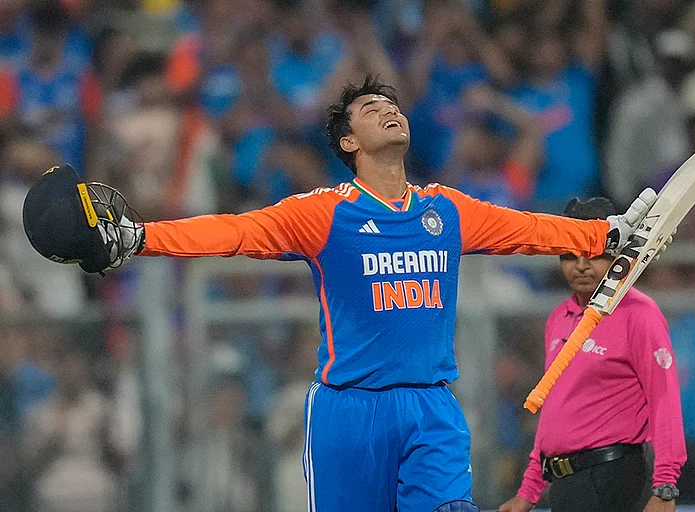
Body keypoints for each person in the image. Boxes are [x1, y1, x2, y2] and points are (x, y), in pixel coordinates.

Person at [25, 75, 658, 512]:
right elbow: (236, 233)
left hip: (431, 407)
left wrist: (609, 230)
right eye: (370, 108)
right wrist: (138, 238)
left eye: (392, 102)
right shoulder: (324, 213)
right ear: (349, 143)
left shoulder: (447, 210)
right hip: (346, 412)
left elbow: (530, 231)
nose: (389, 108)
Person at [498, 197, 686, 512]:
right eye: (569, 255)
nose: (581, 266)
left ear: (617, 253)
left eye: (594, 255)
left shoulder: (638, 314)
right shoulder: (559, 317)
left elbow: (664, 399)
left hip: (613, 477)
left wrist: (665, 486)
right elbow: (556, 410)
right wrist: (528, 491)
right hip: (566, 484)